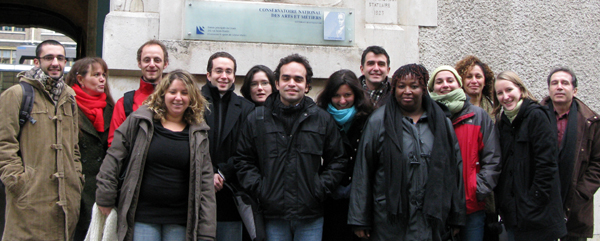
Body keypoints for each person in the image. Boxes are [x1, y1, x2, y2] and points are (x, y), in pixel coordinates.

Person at [234, 54, 348, 241]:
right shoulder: (256, 119)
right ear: (277, 84)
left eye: (298, 79)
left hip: (310, 216)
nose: (292, 83)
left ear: (307, 85)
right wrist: (263, 190)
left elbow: (338, 160)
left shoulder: (322, 120)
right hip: (272, 216)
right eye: (286, 78)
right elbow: (243, 160)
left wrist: (318, 188)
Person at [348, 63, 465, 240]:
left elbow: (454, 170)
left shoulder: (442, 122)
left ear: (424, 89)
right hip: (390, 220)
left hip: (432, 221)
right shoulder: (378, 121)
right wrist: (359, 219)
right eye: (401, 86)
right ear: (394, 89)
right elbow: (363, 170)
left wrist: (457, 216)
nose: (407, 91)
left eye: (414, 86)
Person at [96, 69, 216, 241]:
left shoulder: (198, 132)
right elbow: (114, 158)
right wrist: (105, 196)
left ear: (192, 98)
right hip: (142, 217)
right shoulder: (140, 121)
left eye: (184, 93)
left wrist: (206, 233)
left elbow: (205, 184)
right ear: (163, 94)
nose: (178, 98)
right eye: (172, 92)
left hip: (180, 221)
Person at [0, 40, 82, 240]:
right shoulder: (16, 94)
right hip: (29, 197)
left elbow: (74, 146)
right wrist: (17, 180)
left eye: (60, 58)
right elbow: (4, 142)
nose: (55, 63)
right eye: (49, 58)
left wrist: (77, 177)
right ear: (37, 62)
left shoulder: (69, 96)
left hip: (65, 198)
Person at [428, 66, 501, 241]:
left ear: (459, 85)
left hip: (471, 206)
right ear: (431, 88)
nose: (445, 85)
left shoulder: (479, 116)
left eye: (450, 80)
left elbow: (492, 158)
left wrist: (477, 188)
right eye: (439, 81)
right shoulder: (426, 115)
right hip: (435, 207)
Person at [493, 71, 567, 241]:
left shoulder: (536, 115)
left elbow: (547, 164)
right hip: (514, 216)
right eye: (500, 93)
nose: (505, 96)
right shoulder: (503, 121)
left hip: (538, 216)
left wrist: (532, 200)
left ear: (520, 89)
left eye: (509, 90)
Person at [539, 68, 600, 241]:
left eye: (565, 83)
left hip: (576, 206)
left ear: (575, 90)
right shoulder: (534, 116)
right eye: (554, 83)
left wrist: (581, 193)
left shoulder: (591, 122)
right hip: (541, 204)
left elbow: (598, 162)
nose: (559, 87)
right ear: (549, 89)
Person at [201, 52, 254, 241]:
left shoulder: (247, 108)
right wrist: (209, 173)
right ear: (209, 75)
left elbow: (246, 149)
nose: (224, 76)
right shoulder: (193, 103)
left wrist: (222, 173)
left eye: (229, 71)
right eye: (219, 71)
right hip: (198, 190)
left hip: (230, 192)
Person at [316, 69, 373, 241]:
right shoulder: (318, 117)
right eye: (336, 95)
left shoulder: (369, 118)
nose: (342, 101)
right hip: (328, 196)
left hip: (359, 197)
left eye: (347, 95)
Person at [65, 57, 116, 241]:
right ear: (80, 79)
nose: (102, 79)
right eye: (96, 75)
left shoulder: (111, 107)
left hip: (101, 187)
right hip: (75, 187)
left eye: (104, 75)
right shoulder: (66, 107)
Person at [107, 39, 169, 146]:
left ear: (165, 64)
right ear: (139, 63)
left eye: (157, 60)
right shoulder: (124, 103)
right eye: (146, 60)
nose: (152, 64)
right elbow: (114, 143)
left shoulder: (175, 100)